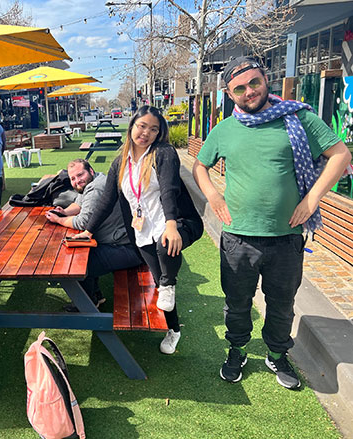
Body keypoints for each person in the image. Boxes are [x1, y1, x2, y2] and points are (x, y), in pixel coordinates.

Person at [192, 56, 351, 389]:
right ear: (229, 93)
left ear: (266, 79)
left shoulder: (299, 118)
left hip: (286, 238)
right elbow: (199, 166)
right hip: (238, 238)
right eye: (240, 88)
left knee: (281, 304)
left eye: (254, 82)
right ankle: (236, 350)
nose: (249, 91)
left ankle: (277, 354)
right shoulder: (224, 129)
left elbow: (340, 155)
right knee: (237, 303)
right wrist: (214, 197)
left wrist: (312, 199)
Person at [74, 107, 203, 354]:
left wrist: (172, 224)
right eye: (142, 126)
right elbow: (107, 200)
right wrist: (88, 231)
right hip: (143, 229)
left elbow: (169, 189)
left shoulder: (163, 153)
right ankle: (174, 329)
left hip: (178, 222)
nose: (146, 133)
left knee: (165, 257)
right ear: (132, 125)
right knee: (159, 278)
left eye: (153, 129)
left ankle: (169, 282)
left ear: (159, 133)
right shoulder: (120, 162)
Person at [45, 159, 143, 312]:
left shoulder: (96, 188)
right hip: (118, 241)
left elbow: (83, 222)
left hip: (126, 247)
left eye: (80, 175)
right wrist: (64, 212)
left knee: (77, 264)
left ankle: (88, 304)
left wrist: (59, 220)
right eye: (73, 178)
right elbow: (79, 204)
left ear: (90, 171)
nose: (77, 181)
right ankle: (96, 296)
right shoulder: (95, 180)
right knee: (82, 253)